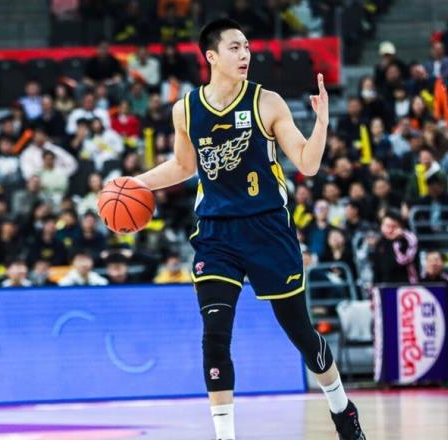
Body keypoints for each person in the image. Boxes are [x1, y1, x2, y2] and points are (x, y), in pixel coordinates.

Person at [133, 18, 365, 440]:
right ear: (211, 56)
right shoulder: (186, 109)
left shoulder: (266, 102)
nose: (245, 55)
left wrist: (322, 123)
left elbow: (308, 164)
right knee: (215, 336)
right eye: (235, 48)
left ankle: (342, 411)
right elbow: (184, 166)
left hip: (268, 229)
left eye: (246, 47)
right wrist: (136, 184)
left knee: (302, 334)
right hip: (216, 233)